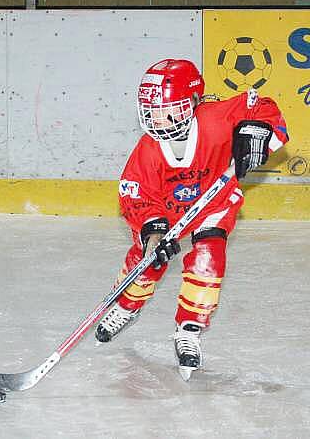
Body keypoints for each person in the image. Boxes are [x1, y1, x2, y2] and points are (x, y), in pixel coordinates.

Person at [95, 59, 289, 380]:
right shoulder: (148, 150)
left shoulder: (217, 118)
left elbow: (262, 107)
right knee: (148, 260)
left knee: (208, 257)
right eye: (152, 110)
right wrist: (154, 234)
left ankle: (189, 327)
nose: (157, 118)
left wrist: (259, 134)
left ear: (194, 103)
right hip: (167, 209)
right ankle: (126, 305)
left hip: (214, 200)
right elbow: (136, 194)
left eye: (167, 109)